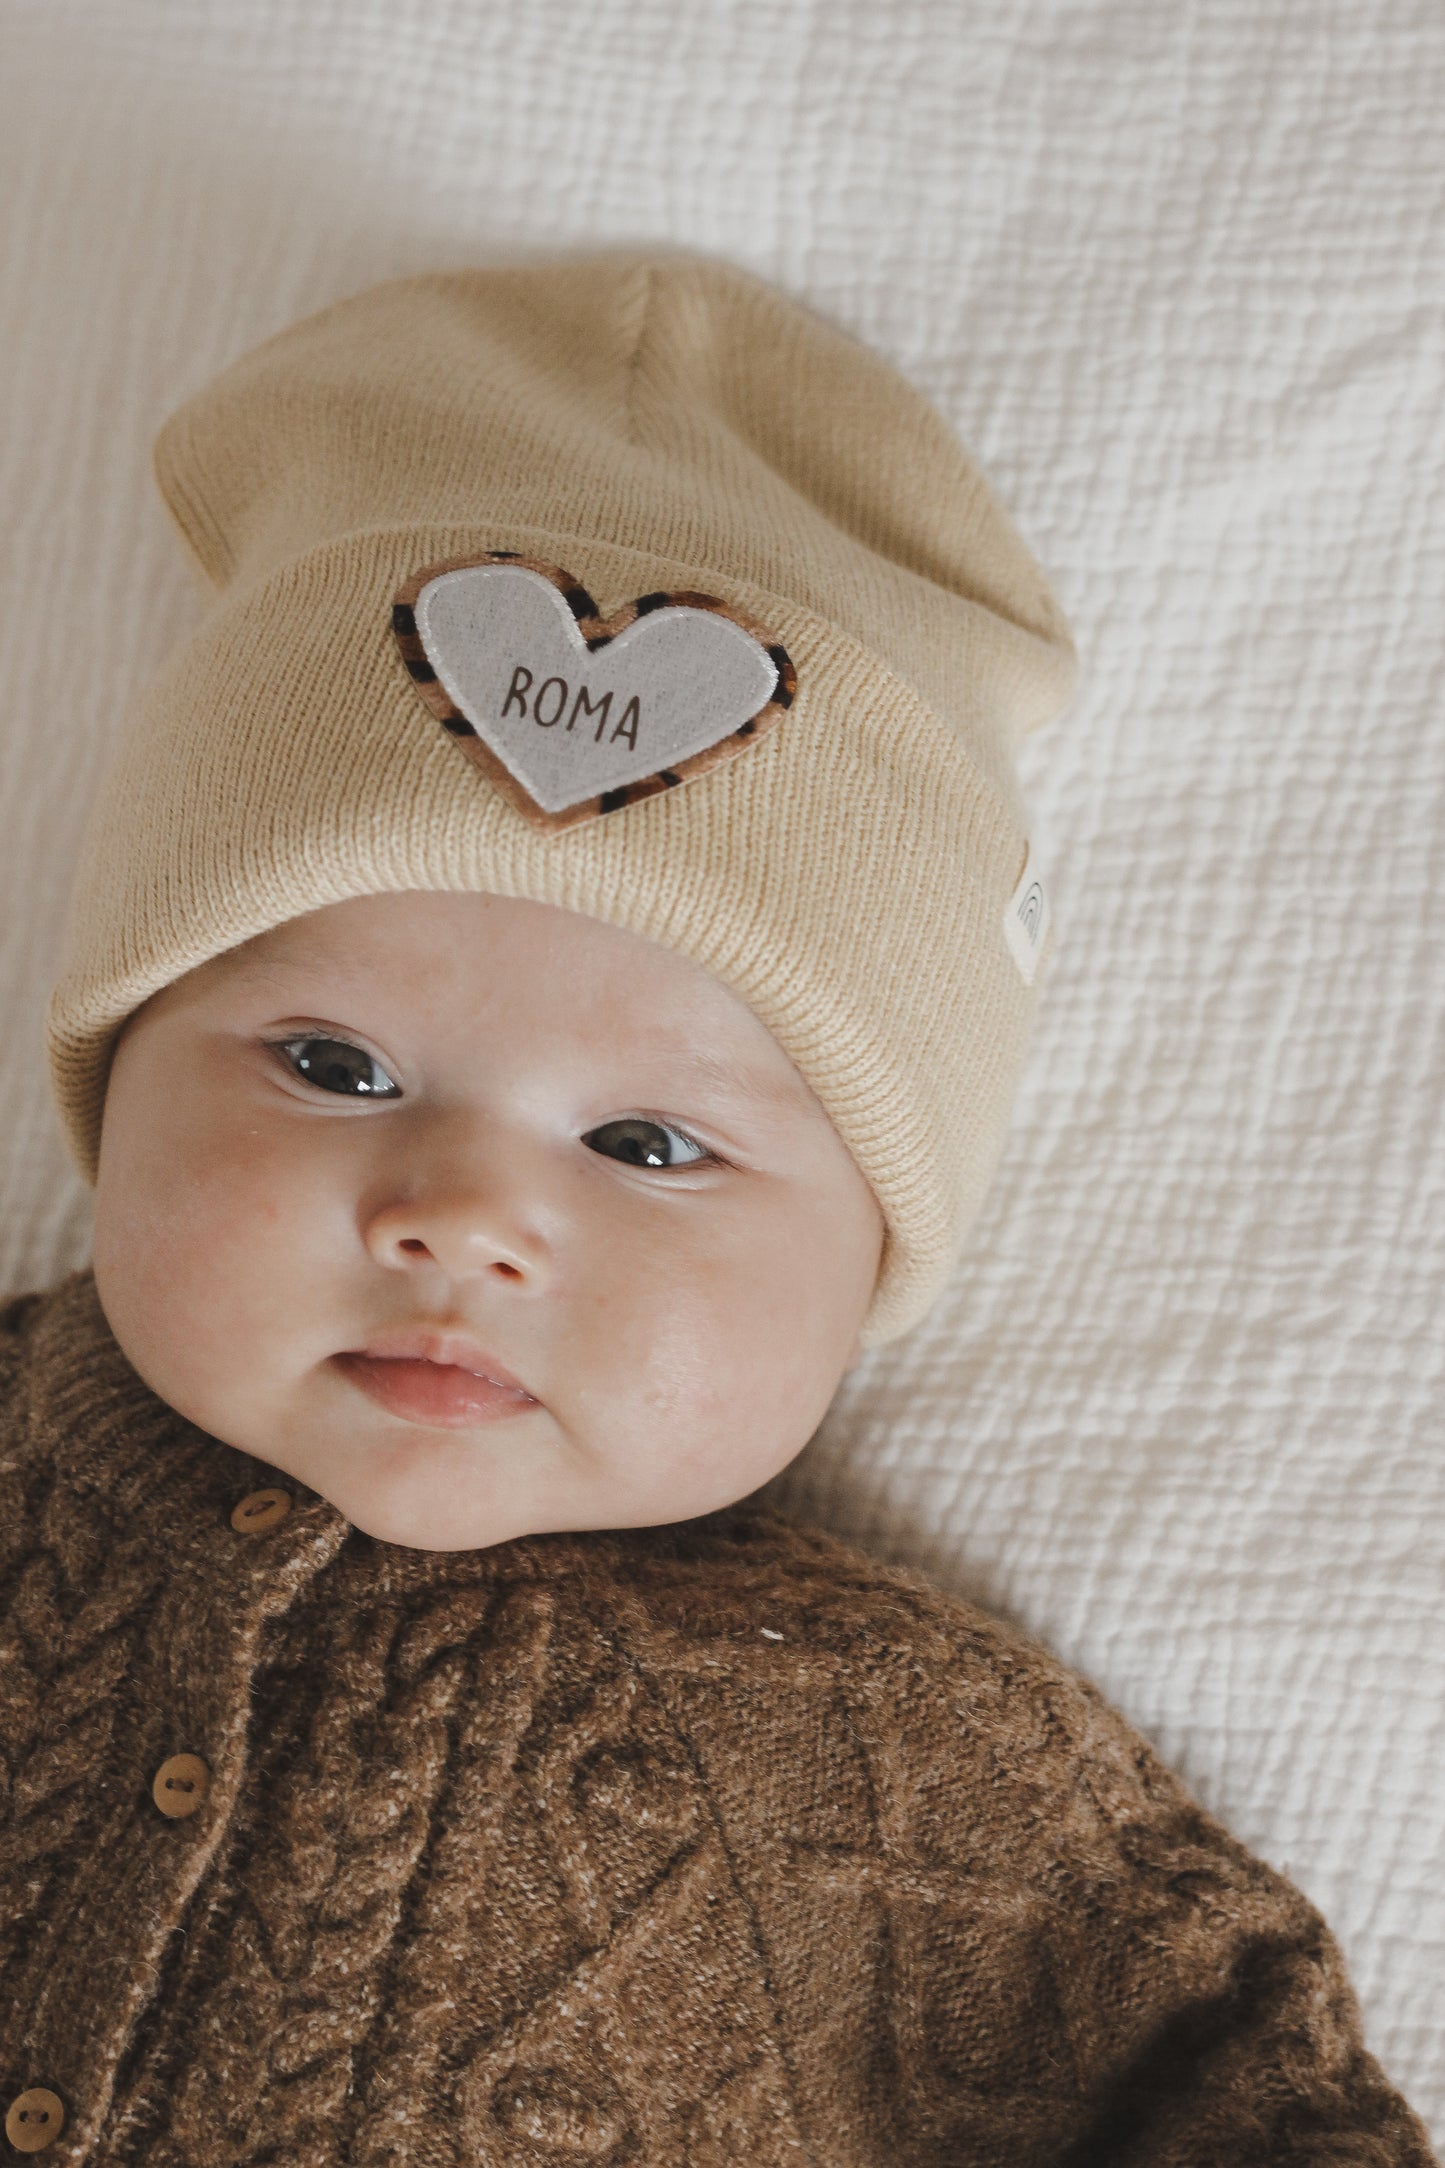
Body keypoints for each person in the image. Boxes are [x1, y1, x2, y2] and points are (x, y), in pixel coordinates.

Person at [2, 250, 1433, 2165]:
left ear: (863, 1268)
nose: (464, 1220)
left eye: (654, 1146)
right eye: (334, 1067)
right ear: (118, 1072)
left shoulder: (886, 1770)